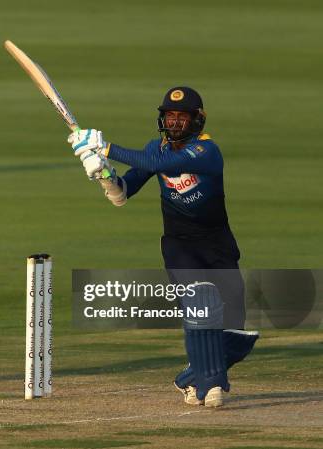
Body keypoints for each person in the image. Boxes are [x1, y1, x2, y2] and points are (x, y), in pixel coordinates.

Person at [68, 87, 258, 407]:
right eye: (170, 116)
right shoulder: (155, 149)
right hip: (180, 246)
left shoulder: (207, 151)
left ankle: (190, 377)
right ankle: (211, 384)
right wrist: (103, 173)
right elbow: (121, 194)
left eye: (182, 117)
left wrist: (105, 146)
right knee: (201, 308)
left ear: (197, 119)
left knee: (237, 338)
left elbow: (164, 163)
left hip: (217, 244)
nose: (175, 122)